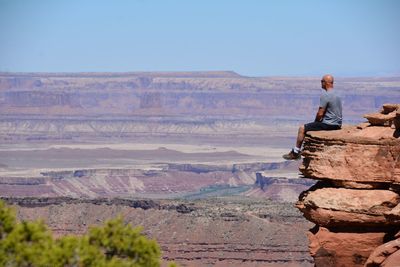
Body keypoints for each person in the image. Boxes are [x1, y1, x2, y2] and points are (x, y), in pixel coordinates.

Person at [283, 74, 342, 160]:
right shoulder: (337, 94)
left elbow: (320, 113)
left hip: (328, 124)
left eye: (322, 81)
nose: (321, 83)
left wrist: (316, 122)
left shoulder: (326, 95)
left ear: (325, 83)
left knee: (302, 128)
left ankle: (295, 153)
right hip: (337, 124)